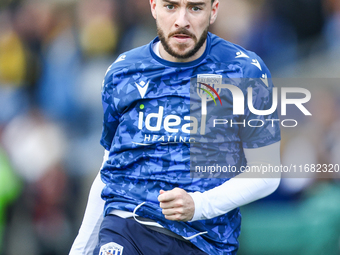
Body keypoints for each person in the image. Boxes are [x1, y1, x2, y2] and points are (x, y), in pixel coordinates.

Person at [69, 0, 281, 254]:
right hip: (126, 227)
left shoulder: (245, 70)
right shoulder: (122, 72)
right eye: (171, 6)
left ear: (213, 11)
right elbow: (110, 170)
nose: (182, 20)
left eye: (195, 7)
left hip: (202, 240)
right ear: (153, 7)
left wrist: (199, 205)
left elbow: (267, 173)